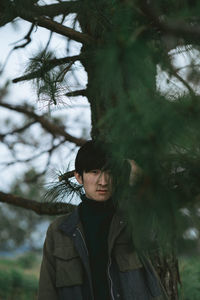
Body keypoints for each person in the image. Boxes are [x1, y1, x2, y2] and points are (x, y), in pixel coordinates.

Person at [38, 140, 168, 300]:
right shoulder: (59, 230)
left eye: (110, 172)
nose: (103, 181)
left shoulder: (131, 220)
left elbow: (153, 236)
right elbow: (47, 290)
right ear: (79, 177)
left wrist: (137, 182)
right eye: (94, 172)